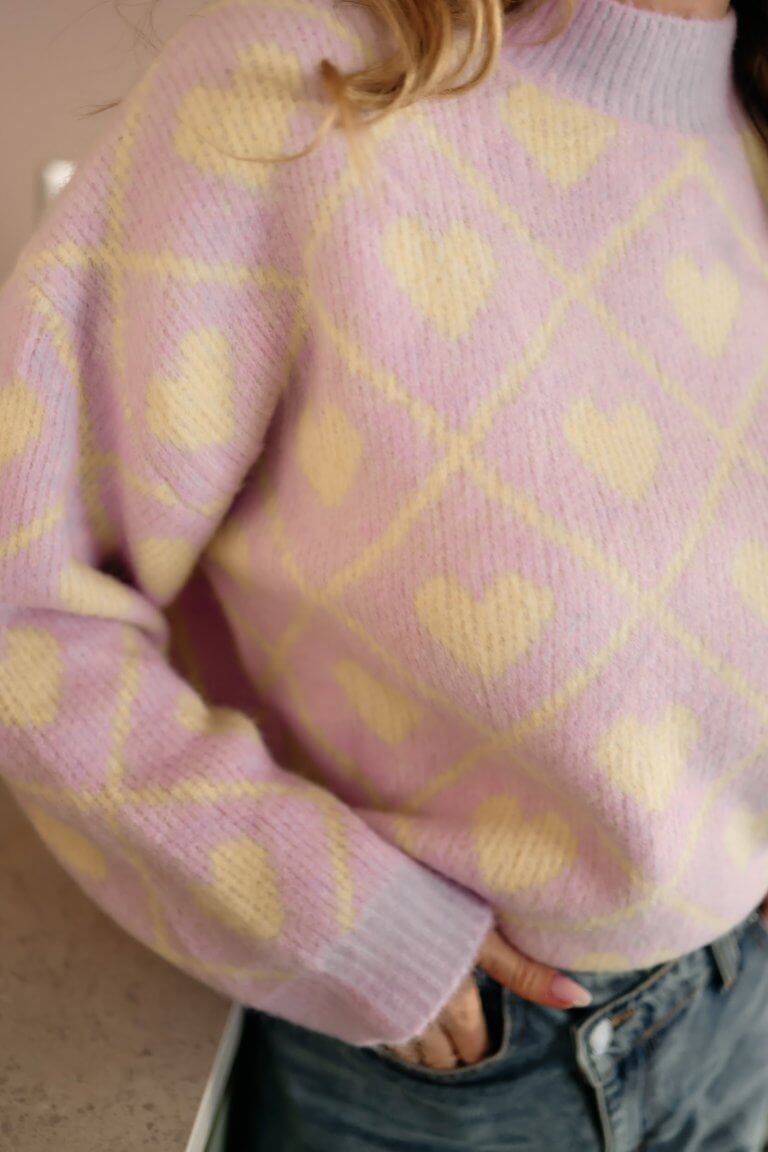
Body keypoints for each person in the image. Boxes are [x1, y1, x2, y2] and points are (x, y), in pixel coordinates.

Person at [1, 0, 767, 1146]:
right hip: (433, 1071)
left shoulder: (747, 124)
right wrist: (334, 919)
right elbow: (23, 591)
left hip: (736, 1013)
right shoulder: (298, 79)